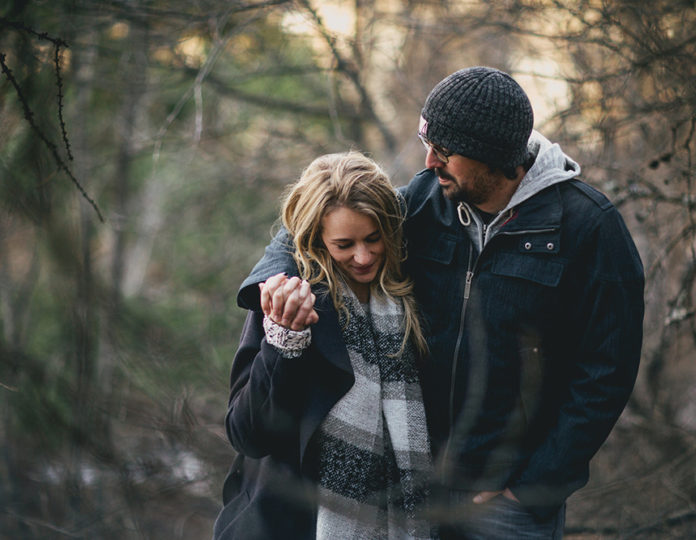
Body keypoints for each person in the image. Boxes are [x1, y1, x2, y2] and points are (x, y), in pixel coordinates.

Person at [240, 66, 645, 539]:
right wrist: (271, 285)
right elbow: (325, 219)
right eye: (427, 142)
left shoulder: (586, 227)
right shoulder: (427, 199)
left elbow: (607, 372)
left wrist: (537, 483)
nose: (429, 160)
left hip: (506, 502)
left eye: (445, 152)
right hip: (417, 484)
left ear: (492, 157)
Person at [213, 152, 434, 540]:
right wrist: (285, 339)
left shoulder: (412, 287)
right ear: (317, 238)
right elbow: (247, 433)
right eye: (344, 244)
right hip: (295, 523)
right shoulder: (290, 296)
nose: (363, 257)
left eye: (373, 238)